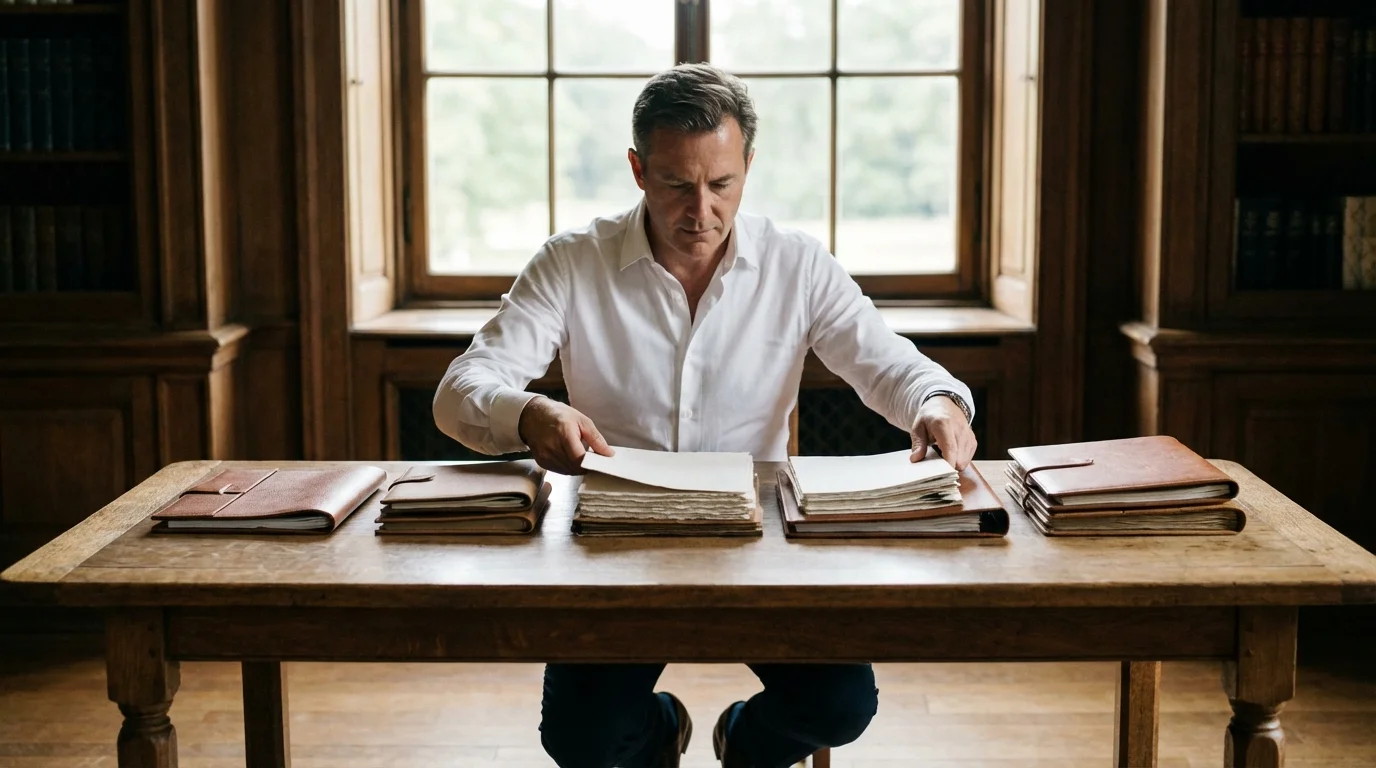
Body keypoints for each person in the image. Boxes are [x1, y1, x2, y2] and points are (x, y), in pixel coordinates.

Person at [433, 62, 977, 768]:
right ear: (636, 169)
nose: (701, 212)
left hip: (762, 547)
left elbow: (888, 363)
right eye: (675, 185)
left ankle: (739, 746)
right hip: (614, 544)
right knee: (580, 740)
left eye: (721, 184)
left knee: (842, 704)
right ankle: (662, 732)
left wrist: (936, 401)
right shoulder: (571, 263)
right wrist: (527, 410)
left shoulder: (797, 264)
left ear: (748, 165)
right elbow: (461, 389)